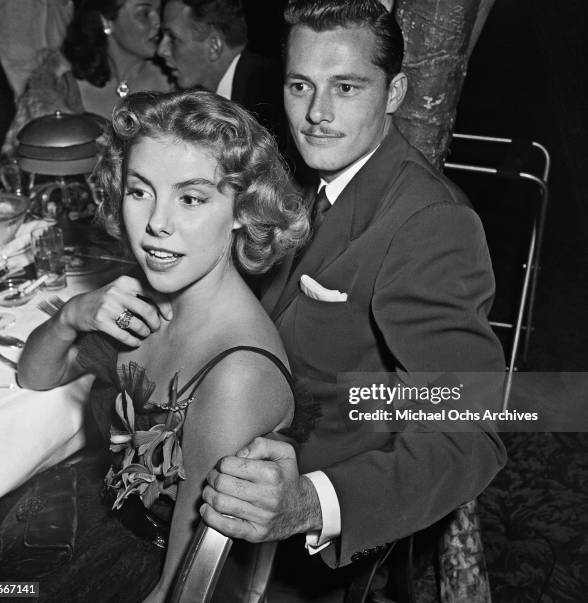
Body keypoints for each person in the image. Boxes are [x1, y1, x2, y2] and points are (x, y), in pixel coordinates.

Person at [199, 1, 507, 601]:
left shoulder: (430, 223)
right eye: (300, 86)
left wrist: (311, 503)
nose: (316, 113)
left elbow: (469, 433)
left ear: (394, 93)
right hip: (236, 460)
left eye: (346, 87)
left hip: (311, 547)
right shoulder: (311, 180)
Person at [0, 90, 308, 602]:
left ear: (244, 209)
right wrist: (73, 315)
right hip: (89, 518)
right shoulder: (151, 296)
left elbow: (179, 590)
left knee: (0, 593)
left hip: (139, 569)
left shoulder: (236, 376)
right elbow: (35, 376)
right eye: (140, 191)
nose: (158, 222)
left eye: (192, 198)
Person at [1, 0, 172, 155]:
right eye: (144, 13)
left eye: (160, 12)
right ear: (106, 20)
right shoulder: (59, 88)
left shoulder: (176, 83)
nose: (158, 22)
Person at [157, 0, 287, 145]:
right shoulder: (202, 99)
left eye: (173, 38)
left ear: (214, 46)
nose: (161, 50)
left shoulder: (269, 95)